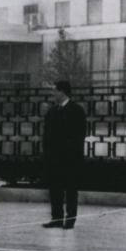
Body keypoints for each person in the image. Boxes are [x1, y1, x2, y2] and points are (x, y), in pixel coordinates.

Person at [41, 80, 87, 230]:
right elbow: (46, 135)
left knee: (71, 189)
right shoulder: (52, 111)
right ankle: (57, 218)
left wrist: (71, 153)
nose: (53, 94)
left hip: (70, 158)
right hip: (54, 158)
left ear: (63, 92)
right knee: (55, 188)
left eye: (55, 91)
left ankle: (70, 219)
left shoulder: (77, 111)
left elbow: (79, 135)